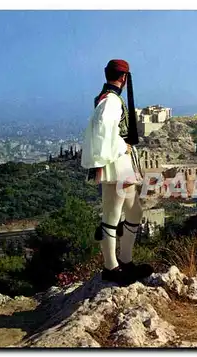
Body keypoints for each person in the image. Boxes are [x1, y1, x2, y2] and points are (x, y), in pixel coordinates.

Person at [81, 59, 153, 285]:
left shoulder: (105, 98)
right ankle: (112, 267)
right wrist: (123, 146)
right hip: (117, 162)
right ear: (124, 77)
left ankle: (125, 260)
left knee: (133, 212)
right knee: (112, 216)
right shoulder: (112, 100)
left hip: (119, 163)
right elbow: (105, 128)